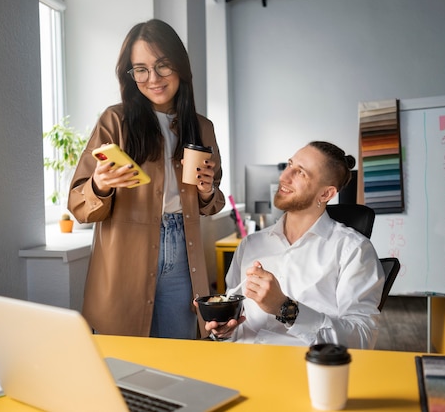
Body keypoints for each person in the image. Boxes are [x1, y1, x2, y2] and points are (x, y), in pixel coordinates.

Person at [68, 19, 225, 339]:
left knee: (176, 359)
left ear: (180, 66)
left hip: (183, 250)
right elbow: (78, 205)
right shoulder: (115, 120)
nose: (152, 78)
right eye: (140, 69)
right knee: (121, 362)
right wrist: (100, 184)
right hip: (124, 253)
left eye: (163, 66)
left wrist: (207, 191)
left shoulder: (202, 127)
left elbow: (211, 202)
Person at [202, 141, 384, 348]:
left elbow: (362, 338)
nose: (283, 177)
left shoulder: (353, 251)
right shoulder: (250, 245)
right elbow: (235, 322)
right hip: (243, 365)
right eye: (289, 165)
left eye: (301, 173)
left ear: (326, 194)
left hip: (305, 369)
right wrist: (224, 330)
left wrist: (285, 308)